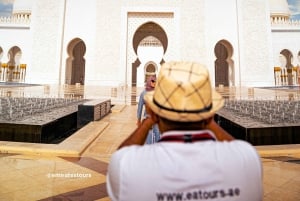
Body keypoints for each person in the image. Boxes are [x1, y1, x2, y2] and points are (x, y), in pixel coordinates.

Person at [106, 61, 263, 201]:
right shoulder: (247, 161)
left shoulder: (129, 167)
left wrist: (148, 121)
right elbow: (237, 149)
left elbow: (122, 154)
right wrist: (209, 120)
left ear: (155, 113)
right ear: (208, 114)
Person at [136, 74, 160, 144]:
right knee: (148, 135)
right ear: (149, 81)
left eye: (156, 81)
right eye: (153, 81)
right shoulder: (143, 93)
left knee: (158, 135)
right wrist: (138, 119)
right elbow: (140, 107)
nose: (154, 83)